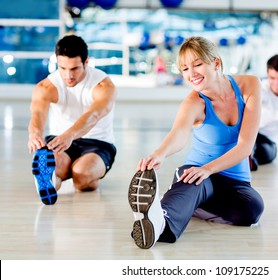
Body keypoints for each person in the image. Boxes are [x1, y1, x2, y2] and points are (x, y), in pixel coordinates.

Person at [128, 36, 264, 249]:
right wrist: (159, 153)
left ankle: (183, 202)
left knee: (252, 210)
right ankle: (158, 223)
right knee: (194, 181)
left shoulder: (249, 85)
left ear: (216, 63)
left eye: (198, 64)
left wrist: (209, 169)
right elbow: (179, 134)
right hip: (197, 171)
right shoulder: (194, 102)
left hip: (233, 180)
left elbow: (245, 146)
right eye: (184, 69)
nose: (191, 74)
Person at [28, 34, 117, 205]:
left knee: (81, 176)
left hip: (98, 143)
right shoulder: (47, 86)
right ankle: (52, 182)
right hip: (59, 139)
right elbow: (38, 112)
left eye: (75, 68)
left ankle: (84, 179)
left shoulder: (103, 85)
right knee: (57, 167)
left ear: (86, 62)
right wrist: (35, 133)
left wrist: (71, 134)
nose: (68, 75)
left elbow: (94, 116)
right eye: (62, 68)